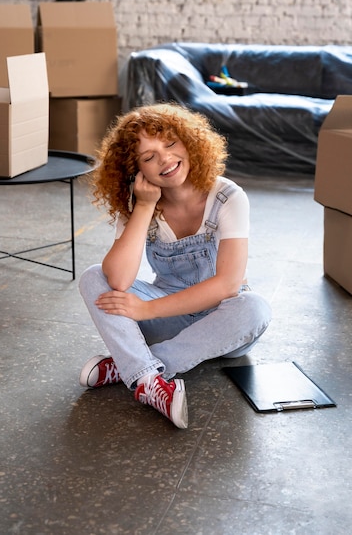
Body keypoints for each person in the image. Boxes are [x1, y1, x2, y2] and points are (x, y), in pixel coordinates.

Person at [78, 103, 272, 429]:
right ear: (134, 168)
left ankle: (135, 368)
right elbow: (119, 279)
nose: (165, 159)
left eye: (170, 144)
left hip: (223, 319)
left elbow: (227, 285)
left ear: (189, 141)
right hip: (169, 318)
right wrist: (143, 206)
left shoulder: (227, 197)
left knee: (255, 308)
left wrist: (146, 311)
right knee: (93, 277)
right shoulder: (137, 201)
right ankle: (149, 382)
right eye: (148, 156)